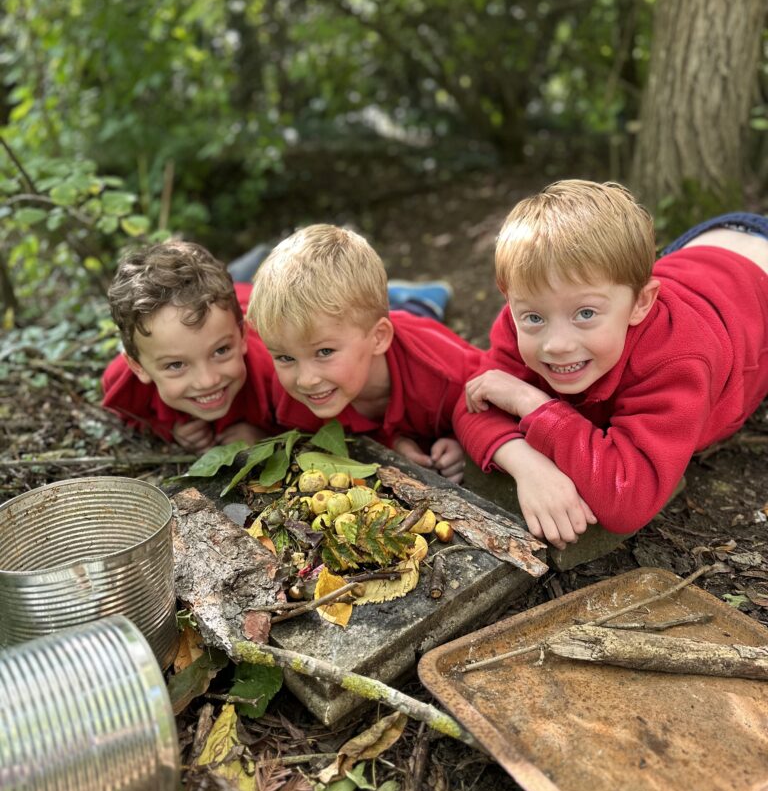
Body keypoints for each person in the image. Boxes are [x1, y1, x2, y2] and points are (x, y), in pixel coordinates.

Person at [453, 179, 768, 548]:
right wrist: (525, 465)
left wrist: (532, 405)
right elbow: (472, 401)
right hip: (700, 257)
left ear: (641, 304)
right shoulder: (527, 314)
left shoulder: (677, 358)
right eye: (534, 317)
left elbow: (626, 499)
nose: (556, 345)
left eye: (585, 313)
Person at [246, 224, 481, 483]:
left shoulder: (443, 373)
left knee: (415, 311)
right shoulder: (289, 397)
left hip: (410, 330)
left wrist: (460, 438)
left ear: (379, 338)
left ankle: (417, 298)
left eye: (324, 352)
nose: (305, 380)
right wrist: (393, 443)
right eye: (285, 357)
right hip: (364, 328)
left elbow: (491, 392)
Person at [102, 241, 275, 452]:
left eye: (220, 351)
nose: (207, 381)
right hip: (222, 305)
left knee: (267, 264)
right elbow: (132, 419)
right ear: (138, 367)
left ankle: (261, 253)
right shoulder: (122, 382)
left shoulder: (278, 370)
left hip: (254, 295)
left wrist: (270, 440)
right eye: (176, 365)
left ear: (242, 337)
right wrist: (169, 429)